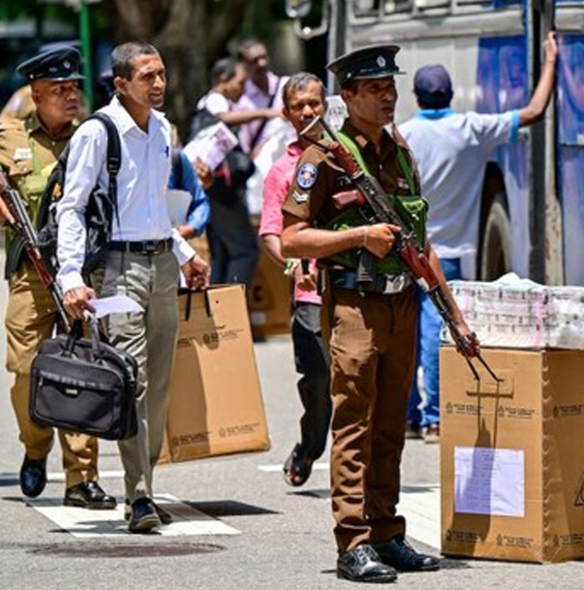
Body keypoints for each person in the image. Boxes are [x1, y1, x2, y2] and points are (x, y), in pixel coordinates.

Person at [281, 45, 473, 583]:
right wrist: (359, 235)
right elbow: (292, 238)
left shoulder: (401, 152)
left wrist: (455, 317)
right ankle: (353, 541)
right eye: (373, 88)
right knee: (354, 425)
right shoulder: (322, 156)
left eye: (391, 86)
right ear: (348, 97)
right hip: (353, 305)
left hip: (401, 303)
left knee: (391, 426)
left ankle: (387, 533)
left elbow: (420, 241)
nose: (388, 95)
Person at [57, 41, 210, 534]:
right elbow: (72, 207)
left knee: (161, 385)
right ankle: (138, 494)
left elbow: (157, 209)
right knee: (133, 382)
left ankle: (144, 481)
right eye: (147, 76)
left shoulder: (163, 128)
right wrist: (71, 276)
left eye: (161, 73)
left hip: (161, 262)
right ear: (122, 84)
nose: (159, 83)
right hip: (120, 268)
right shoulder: (97, 133)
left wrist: (186, 256)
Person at [0, 46, 115, 509]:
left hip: (81, 276)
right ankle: (35, 445)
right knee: (26, 370)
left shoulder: (94, 136)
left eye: (74, 88)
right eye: (59, 90)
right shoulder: (7, 137)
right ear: (36, 94)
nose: (70, 97)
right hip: (29, 275)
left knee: (84, 374)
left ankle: (81, 479)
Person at [398, 32, 558, 444]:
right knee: (437, 328)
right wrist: (552, 61)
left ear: (415, 97)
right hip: (447, 252)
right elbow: (535, 111)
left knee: (406, 330)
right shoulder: (471, 129)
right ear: (451, 94)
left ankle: (409, 416)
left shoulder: (402, 136)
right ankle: (434, 417)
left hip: (403, 249)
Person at [258, 72, 331, 488]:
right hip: (309, 296)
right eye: (299, 106)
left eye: (314, 103)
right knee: (318, 379)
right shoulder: (282, 171)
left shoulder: (346, 155)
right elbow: (271, 232)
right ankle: (309, 446)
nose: (307, 111)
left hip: (354, 290)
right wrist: (291, 263)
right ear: (287, 113)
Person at [193, 57, 276, 287]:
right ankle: (232, 311)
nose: (243, 88)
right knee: (245, 251)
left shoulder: (207, 103)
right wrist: (267, 113)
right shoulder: (215, 101)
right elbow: (223, 118)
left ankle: (219, 314)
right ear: (223, 81)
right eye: (240, 82)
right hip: (223, 192)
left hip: (214, 190)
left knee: (222, 253)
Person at [233, 39, 287, 155]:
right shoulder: (242, 100)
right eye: (254, 61)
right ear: (243, 65)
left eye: (264, 57)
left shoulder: (286, 86)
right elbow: (245, 142)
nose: (261, 63)